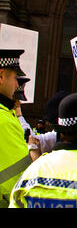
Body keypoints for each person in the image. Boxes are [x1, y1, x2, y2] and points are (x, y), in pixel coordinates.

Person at [0, 49, 33, 208]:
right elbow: (19, 182)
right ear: (1, 76)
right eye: (14, 78)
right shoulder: (2, 120)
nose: (16, 84)